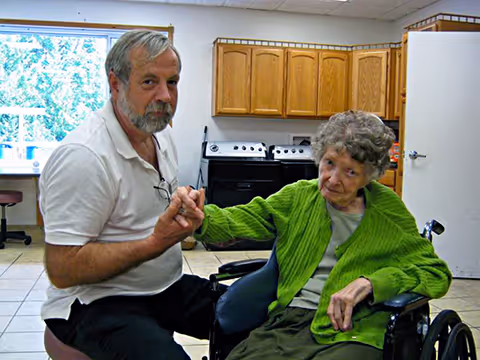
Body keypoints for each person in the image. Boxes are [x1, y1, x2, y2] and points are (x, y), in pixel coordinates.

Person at [179, 110, 452, 360]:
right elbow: (242, 219)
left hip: (356, 327)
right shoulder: (299, 196)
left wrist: (370, 283)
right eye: (329, 163)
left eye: (350, 172)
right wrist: (201, 216)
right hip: (288, 323)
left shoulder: (387, 210)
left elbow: (434, 272)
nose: (333, 179)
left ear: (369, 176)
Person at [40, 30, 209, 360]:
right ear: (115, 83)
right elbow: (62, 269)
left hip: (163, 287)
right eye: (149, 82)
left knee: (251, 316)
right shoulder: (84, 157)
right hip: (98, 302)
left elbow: (147, 198)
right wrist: (155, 242)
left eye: (172, 82)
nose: (165, 96)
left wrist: (181, 202)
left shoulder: (159, 135)